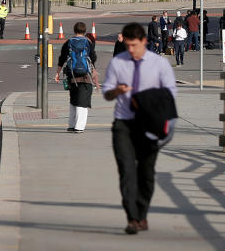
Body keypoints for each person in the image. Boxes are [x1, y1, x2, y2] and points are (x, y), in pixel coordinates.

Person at [102, 23, 177, 234]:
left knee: (146, 172)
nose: (131, 50)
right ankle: (132, 217)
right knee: (126, 171)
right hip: (123, 123)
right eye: (127, 45)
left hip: (149, 123)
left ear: (144, 41)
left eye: (134, 45)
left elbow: (170, 94)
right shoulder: (118, 62)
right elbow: (107, 93)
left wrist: (146, 100)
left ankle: (142, 213)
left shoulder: (159, 64)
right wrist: (117, 90)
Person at [54, 22, 98, 132]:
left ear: (74, 30)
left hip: (72, 75)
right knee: (82, 102)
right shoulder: (88, 43)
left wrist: (57, 73)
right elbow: (93, 58)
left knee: (73, 100)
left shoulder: (68, 42)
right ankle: (79, 127)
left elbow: (62, 58)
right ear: (84, 31)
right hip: (85, 76)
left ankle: (71, 125)